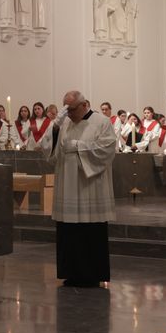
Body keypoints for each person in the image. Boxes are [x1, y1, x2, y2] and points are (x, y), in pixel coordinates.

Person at [48, 90, 116, 287]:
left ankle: (92, 274)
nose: (68, 113)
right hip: (67, 184)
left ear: (84, 104)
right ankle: (71, 273)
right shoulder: (66, 122)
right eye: (65, 109)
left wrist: (79, 146)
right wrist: (54, 127)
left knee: (90, 231)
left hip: (89, 185)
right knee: (69, 231)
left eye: (71, 109)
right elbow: (49, 150)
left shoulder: (102, 122)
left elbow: (107, 149)